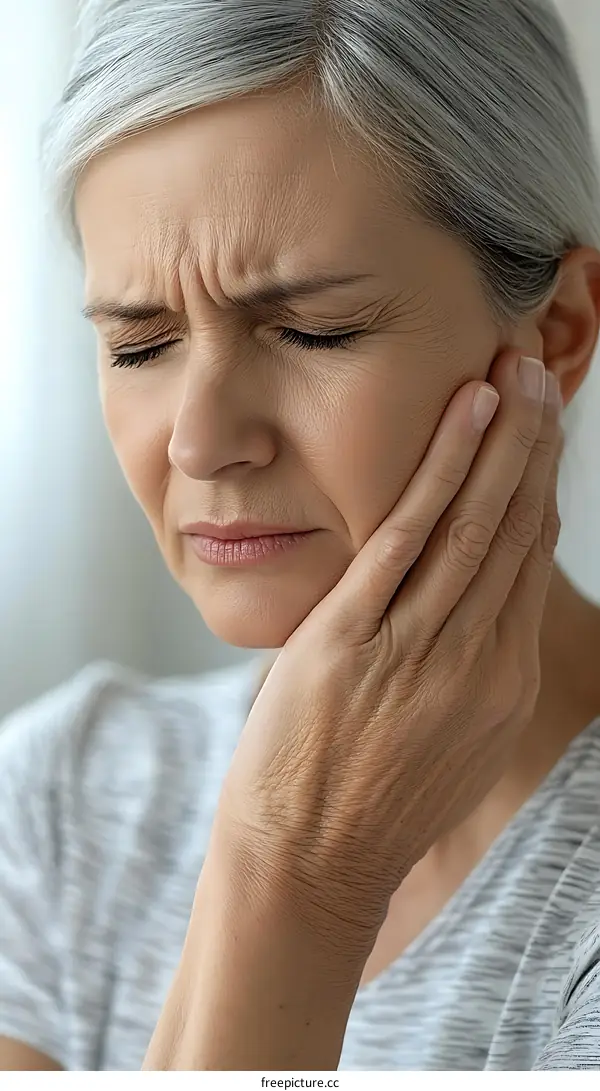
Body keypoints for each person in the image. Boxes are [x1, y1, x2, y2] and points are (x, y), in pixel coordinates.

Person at [2, 0, 600, 1072]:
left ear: (555, 336)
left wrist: (298, 875)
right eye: (140, 344)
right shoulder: (61, 795)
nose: (200, 442)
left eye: (311, 330)